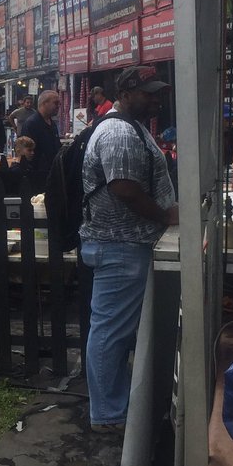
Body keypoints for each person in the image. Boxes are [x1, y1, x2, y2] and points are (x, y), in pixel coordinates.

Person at [80, 65, 177, 435]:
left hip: (125, 244)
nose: (155, 100)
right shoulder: (119, 131)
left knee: (116, 331)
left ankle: (115, 406)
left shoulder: (131, 127)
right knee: (110, 333)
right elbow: (124, 188)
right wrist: (165, 216)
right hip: (119, 245)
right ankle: (108, 414)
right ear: (126, 94)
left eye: (157, 93)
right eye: (148, 93)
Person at [19, 89, 62, 194]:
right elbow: (26, 154)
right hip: (37, 178)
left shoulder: (52, 124)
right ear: (44, 103)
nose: (58, 106)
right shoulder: (32, 124)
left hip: (52, 176)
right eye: (55, 103)